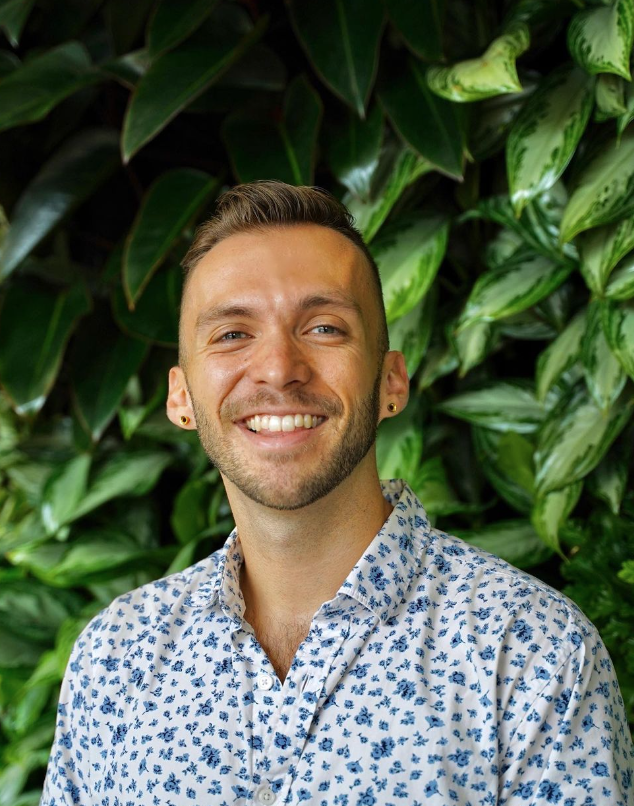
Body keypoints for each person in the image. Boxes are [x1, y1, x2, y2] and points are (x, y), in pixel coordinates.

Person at [40, 181, 634, 806]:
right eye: (232, 334)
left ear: (391, 381)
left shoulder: (532, 652)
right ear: (181, 396)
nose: (277, 368)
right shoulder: (115, 661)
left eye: (323, 327)